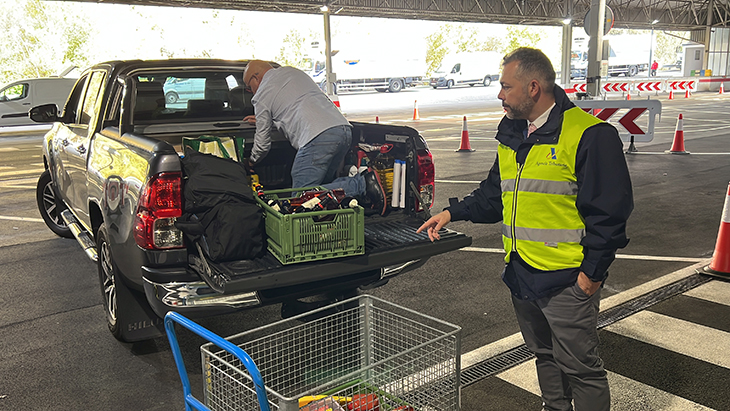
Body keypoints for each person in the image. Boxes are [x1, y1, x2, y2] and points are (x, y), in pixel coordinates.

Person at [417, 48, 633, 411]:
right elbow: (493, 195)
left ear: (533, 87)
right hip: (522, 272)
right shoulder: (514, 134)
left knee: (582, 369)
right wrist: (451, 214)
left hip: (567, 280)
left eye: (505, 86)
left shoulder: (590, 135)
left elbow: (609, 214)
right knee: (544, 355)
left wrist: (590, 278)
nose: (499, 94)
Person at [242, 60, 387, 214]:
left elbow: (263, 143)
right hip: (342, 130)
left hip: (317, 138)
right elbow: (295, 104)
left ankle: (362, 184)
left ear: (255, 78)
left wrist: (251, 161)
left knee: (302, 198)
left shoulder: (263, 92)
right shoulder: (293, 72)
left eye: (249, 88)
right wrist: (267, 119)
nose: (251, 92)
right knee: (322, 195)